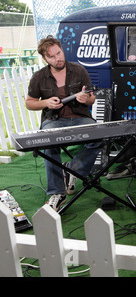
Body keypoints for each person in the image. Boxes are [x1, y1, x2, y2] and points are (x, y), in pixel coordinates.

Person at [25, 35, 102, 212]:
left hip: (79, 117)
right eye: (52, 56)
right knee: (49, 141)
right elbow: (29, 103)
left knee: (99, 135)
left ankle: (72, 170)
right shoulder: (39, 77)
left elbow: (92, 99)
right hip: (53, 120)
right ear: (45, 59)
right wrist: (46, 103)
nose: (58, 58)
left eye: (59, 53)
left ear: (62, 49)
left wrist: (86, 98)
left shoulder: (79, 71)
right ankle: (57, 194)